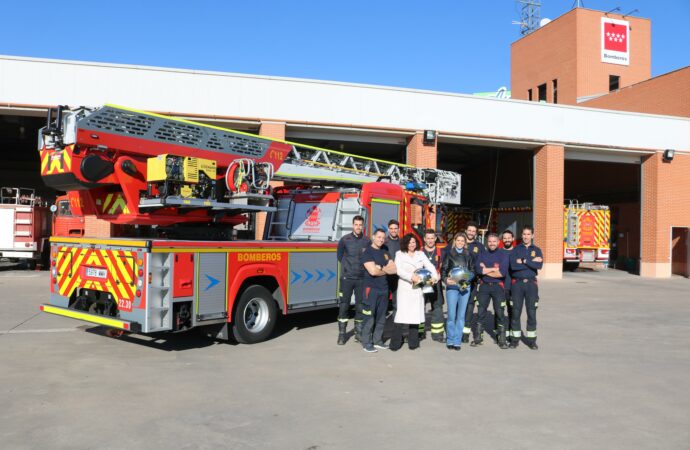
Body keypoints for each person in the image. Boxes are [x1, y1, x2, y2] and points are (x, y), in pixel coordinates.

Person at [390, 233, 438, 351]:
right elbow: (398, 270)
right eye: (410, 242)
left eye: (414, 242)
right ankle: (395, 343)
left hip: (418, 289)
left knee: (415, 317)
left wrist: (434, 277)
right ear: (405, 243)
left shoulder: (420, 254)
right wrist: (411, 277)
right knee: (400, 316)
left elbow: (430, 266)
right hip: (405, 288)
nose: (412, 244)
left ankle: (413, 343)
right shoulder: (399, 254)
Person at [361, 229, 397, 353]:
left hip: (384, 288)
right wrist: (385, 269)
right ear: (373, 237)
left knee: (381, 317)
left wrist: (381, 268)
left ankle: (377, 341)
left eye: (383, 238)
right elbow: (373, 272)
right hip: (371, 289)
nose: (381, 239)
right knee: (369, 317)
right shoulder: (368, 252)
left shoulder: (385, 251)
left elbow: (394, 269)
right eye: (379, 237)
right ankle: (366, 343)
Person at [473, 233, 509, 349]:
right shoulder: (482, 254)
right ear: (486, 242)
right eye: (489, 241)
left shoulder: (503, 255)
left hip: (498, 287)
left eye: (494, 241)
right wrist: (493, 269)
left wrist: (485, 270)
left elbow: (501, 273)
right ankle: (478, 338)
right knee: (480, 312)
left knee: (500, 313)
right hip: (484, 287)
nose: (492, 243)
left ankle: (502, 340)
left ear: (498, 242)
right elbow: (478, 270)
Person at [336, 215, 368, 345]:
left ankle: (358, 333)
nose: (358, 227)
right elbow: (340, 256)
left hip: (361, 279)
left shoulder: (367, 241)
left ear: (363, 226)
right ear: (352, 225)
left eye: (360, 225)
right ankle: (342, 334)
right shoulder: (344, 240)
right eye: (356, 224)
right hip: (347, 278)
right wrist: (347, 270)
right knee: (344, 306)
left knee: (360, 306)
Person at [509, 226, 543, 350]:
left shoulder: (537, 250)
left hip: (531, 285)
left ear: (532, 236)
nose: (526, 236)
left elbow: (539, 266)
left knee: (532, 313)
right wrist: (530, 261)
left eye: (528, 234)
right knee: (516, 313)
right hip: (517, 284)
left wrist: (523, 261)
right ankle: (514, 340)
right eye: (524, 234)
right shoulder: (516, 249)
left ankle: (531, 340)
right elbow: (513, 266)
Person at [441, 232, 474, 350]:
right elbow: (443, 270)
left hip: (465, 288)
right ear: (454, 241)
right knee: (451, 315)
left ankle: (457, 340)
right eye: (458, 240)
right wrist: (445, 279)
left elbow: (472, 271)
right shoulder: (448, 254)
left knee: (461, 316)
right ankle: (450, 339)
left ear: (465, 243)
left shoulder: (469, 255)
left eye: (462, 241)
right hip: (452, 288)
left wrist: (467, 279)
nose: (460, 243)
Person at [420, 228, 446, 343]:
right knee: (420, 307)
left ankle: (437, 334)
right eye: (428, 238)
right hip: (422, 284)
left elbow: (445, 267)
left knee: (437, 307)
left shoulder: (441, 252)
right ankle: (420, 332)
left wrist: (441, 275)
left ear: (435, 239)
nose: (430, 240)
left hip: (436, 284)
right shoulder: (419, 252)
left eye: (432, 238)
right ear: (424, 239)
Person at [462, 221, 485, 344]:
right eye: (469, 230)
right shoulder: (459, 242)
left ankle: (465, 334)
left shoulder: (479, 246)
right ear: (465, 230)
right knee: (458, 306)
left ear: (476, 233)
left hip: (473, 281)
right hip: (458, 281)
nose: (471, 233)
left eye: (473, 231)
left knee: (470, 306)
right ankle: (457, 331)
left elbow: (483, 263)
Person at [499, 230, 515, 340]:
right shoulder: (498, 253)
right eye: (505, 238)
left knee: (513, 312)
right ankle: (500, 335)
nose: (507, 240)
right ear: (502, 240)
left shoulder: (517, 252)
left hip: (514, 288)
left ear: (513, 238)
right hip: (500, 287)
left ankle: (511, 334)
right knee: (499, 312)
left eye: (509, 238)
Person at [384, 219, 401, 314]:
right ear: (388, 229)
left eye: (395, 228)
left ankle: (396, 323)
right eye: (391, 228)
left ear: (398, 229)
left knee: (396, 300)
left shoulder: (402, 243)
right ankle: (381, 322)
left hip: (398, 275)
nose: (393, 230)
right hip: (385, 275)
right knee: (384, 300)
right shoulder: (384, 242)